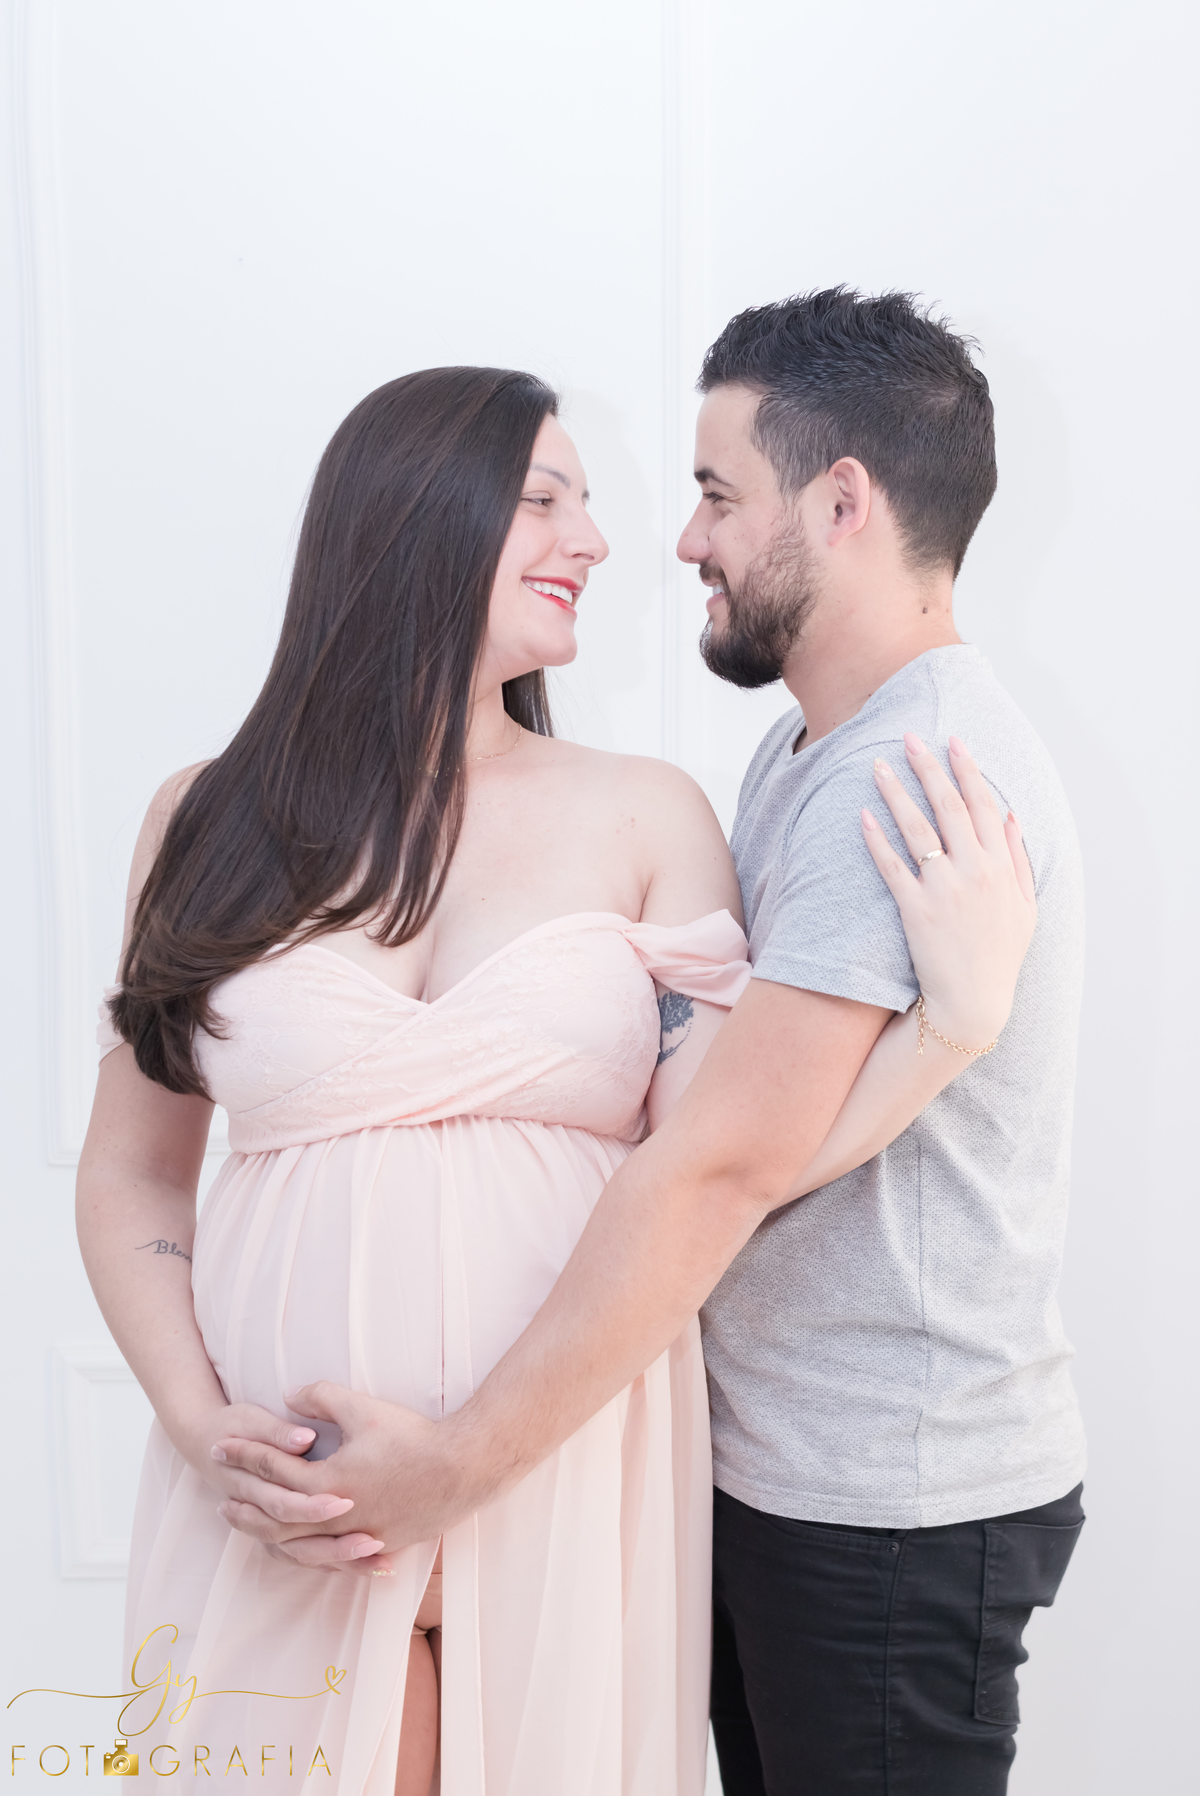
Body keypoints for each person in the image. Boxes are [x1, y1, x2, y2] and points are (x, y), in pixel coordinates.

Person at [79, 353, 1036, 1796]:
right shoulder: (203, 820)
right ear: (413, 518)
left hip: (561, 1470)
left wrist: (947, 1035)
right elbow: (134, 1168)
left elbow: (730, 1158)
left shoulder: (648, 815)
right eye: (546, 500)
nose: (597, 540)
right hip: (276, 1494)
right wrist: (195, 1416)